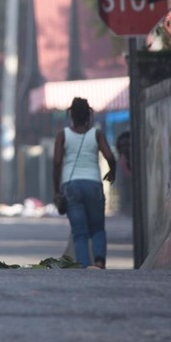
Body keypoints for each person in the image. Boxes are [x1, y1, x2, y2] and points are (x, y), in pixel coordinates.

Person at [52, 97, 117, 269]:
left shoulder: (63, 135)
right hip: (93, 184)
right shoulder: (96, 134)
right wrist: (113, 172)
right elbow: (110, 156)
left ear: (70, 115)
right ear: (89, 115)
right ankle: (100, 262)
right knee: (97, 228)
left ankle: (85, 267)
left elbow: (57, 162)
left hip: (71, 185)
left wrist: (56, 190)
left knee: (80, 233)